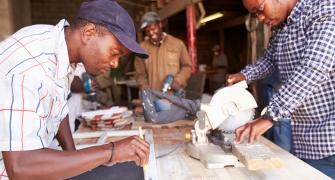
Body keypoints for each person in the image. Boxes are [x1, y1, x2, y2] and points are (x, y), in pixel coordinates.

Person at [0, 0, 150, 179]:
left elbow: (56, 107)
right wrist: (110, 151)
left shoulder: (58, 45)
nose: (114, 63)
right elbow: (20, 167)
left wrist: (73, 156)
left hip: (36, 162)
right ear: (88, 33)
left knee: (135, 171)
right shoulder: (29, 68)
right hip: (16, 171)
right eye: (114, 52)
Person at [227, 0, 335, 178]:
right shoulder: (281, 27)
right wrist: (245, 75)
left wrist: (270, 116)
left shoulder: (324, 10)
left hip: (329, 140)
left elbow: (313, 68)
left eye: (260, 9)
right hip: (305, 138)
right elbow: (270, 60)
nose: (260, 18)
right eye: (255, 14)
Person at [134, 11, 192, 94]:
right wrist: (145, 89)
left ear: (160, 25)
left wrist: (178, 80)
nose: (151, 33)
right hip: (154, 96)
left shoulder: (177, 44)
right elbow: (139, 74)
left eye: (153, 29)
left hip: (174, 96)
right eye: (147, 31)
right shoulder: (141, 48)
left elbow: (187, 66)